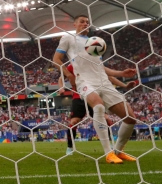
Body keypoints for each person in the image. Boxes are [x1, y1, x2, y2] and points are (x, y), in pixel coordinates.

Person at [53, 14, 137, 164]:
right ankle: (108, 153)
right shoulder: (68, 39)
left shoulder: (94, 42)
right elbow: (56, 59)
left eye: (87, 22)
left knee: (130, 118)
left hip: (104, 82)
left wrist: (121, 73)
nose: (85, 24)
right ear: (75, 24)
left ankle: (118, 151)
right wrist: (67, 74)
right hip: (85, 81)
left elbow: (100, 67)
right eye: (82, 22)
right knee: (98, 106)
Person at [59, 64, 136, 155]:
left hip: (94, 95)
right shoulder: (73, 65)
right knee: (74, 122)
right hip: (78, 96)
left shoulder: (93, 63)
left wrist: (125, 86)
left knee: (106, 119)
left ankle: (110, 145)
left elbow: (109, 78)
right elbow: (61, 78)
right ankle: (70, 147)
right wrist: (61, 87)